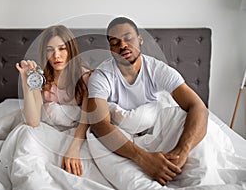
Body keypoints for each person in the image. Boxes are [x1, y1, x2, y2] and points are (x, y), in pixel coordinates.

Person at [87, 17, 208, 186]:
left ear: (140, 39)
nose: (122, 45)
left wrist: (182, 151)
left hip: (156, 129)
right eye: (115, 42)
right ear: (110, 48)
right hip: (122, 137)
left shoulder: (158, 69)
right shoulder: (101, 76)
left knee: (193, 125)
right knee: (95, 139)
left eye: (128, 38)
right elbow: (100, 124)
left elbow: (198, 107)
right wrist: (143, 158)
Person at [15, 25, 90, 176]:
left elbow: (86, 118)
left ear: (71, 49)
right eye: (50, 50)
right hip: (48, 133)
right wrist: (26, 80)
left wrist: (73, 149)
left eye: (62, 49)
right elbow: (33, 122)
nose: (56, 56)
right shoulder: (42, 80)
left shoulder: (86, 78)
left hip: (76, 136)